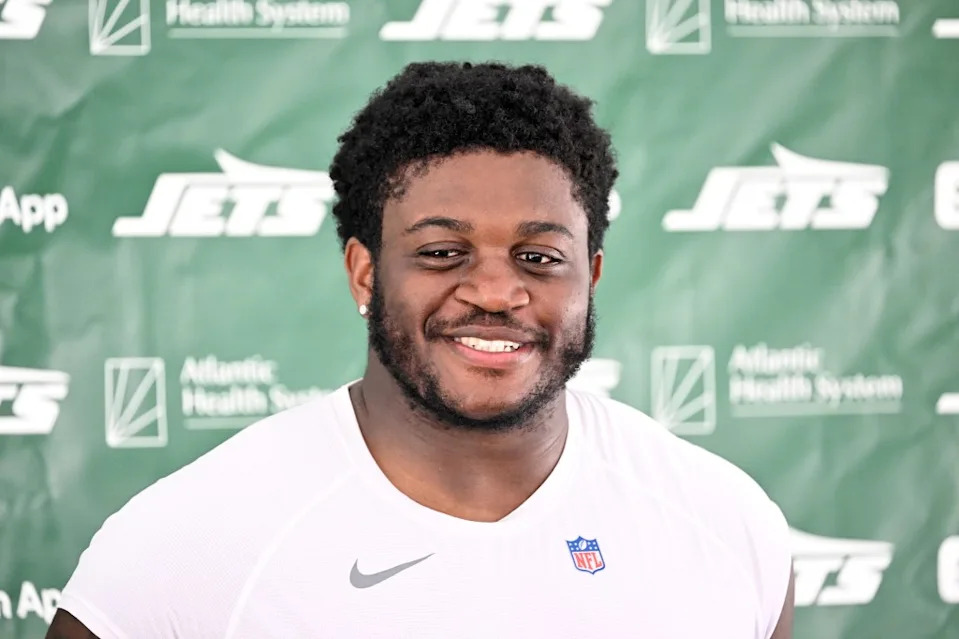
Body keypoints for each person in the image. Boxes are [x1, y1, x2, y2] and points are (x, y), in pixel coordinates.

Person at [47, 61, 795, 638]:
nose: (496, 291)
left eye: (539, 257)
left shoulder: (725, 526)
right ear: (364, 271)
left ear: (590, 276)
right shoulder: (185, 546)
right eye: (442, 252)